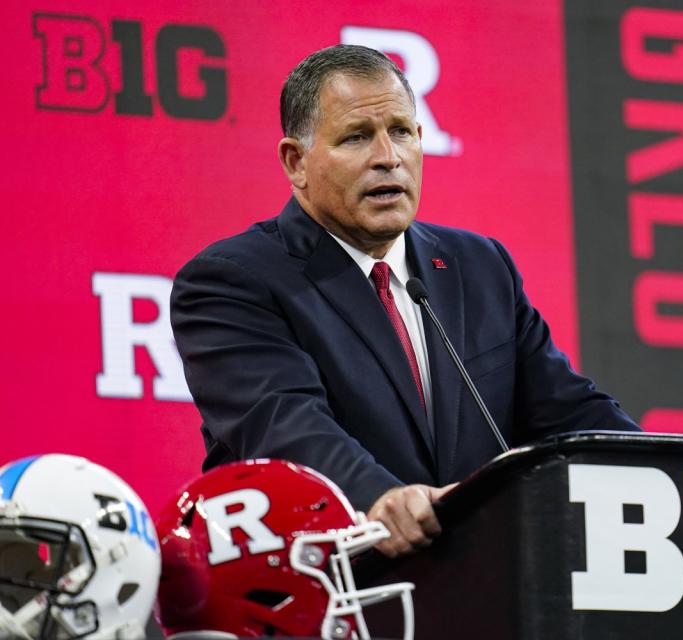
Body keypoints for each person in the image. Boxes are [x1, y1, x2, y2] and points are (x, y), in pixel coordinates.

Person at [170, 45, 638, 558]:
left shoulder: (479, 267)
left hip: (478, 590)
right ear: (296, 162)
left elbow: (568, 411)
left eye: (400, 132)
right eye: (356, 137)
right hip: (324, 595)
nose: (387, 157)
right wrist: (381, 498)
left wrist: (671, 473)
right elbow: (288, 425)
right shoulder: (232, 282)